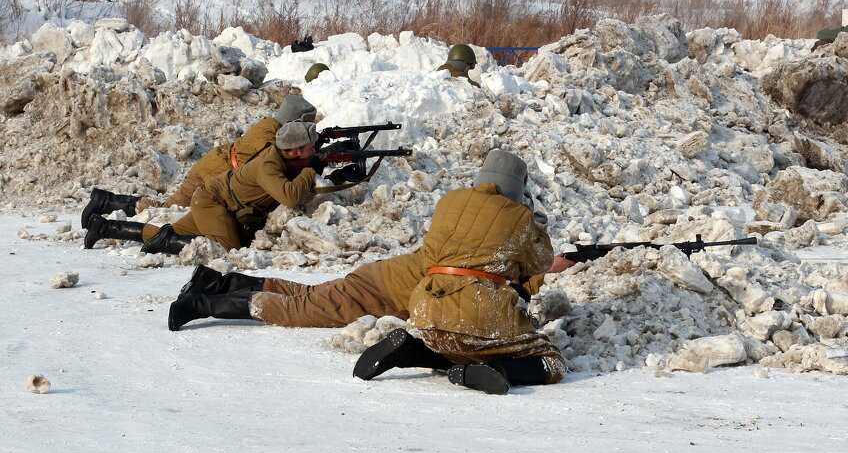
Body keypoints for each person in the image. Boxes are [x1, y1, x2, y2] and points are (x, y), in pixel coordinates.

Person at [173, 151, 570, 395]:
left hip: (395, 280)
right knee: (301, 310)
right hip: (386, 292)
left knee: (306, 295)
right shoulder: (518, 220)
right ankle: (205, 302)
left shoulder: (453, 205)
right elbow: (529, 264)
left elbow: (484, 258)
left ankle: (218, 280)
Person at [80, 72, 323, 225]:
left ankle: (107, 202)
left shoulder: (270, 126)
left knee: (168, 207)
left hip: (213, 168)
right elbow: (270, 169)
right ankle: (106, 202)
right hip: (210, 176)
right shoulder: (272, 140)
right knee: (167, 210)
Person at [85, 121, 321, 254]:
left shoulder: (279, 157)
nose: (315, 152)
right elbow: (290, 197)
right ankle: (164, 242)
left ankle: (104, 227)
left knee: (172, 232)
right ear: (295, 150)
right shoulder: (269, 164)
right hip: (212, 202)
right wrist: (310, 170)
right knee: (227, 250)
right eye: (312, 148)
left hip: (216, 201)